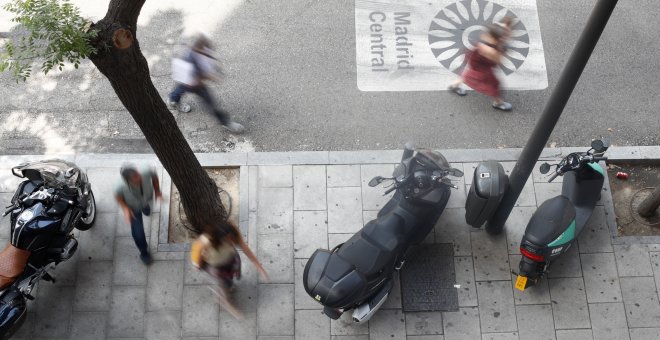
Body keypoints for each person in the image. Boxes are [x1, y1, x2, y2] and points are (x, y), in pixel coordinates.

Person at [168, 33, 245, 134]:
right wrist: (210, 77)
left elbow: (209, 59)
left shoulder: (202, 49)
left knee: (181, 86)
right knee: (210, 102)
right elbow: (193, 81)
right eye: (206, 47)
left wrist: (214, 69)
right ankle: (226, 122)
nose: (210, 48)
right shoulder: (190, 60)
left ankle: (173, 99)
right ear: (199, 49)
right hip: (194, 83)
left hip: (188, 79)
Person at [191, 223, 269, 319]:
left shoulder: (231, 229)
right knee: (223, 285)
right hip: (217, 267)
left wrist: (260, 268)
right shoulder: (204, 242)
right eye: (227, 240)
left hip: (229, 260)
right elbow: (196, 262)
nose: (232, 242)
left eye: (231, 239)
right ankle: (224, 301)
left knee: (229, 280)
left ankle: (227, 289)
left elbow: (244, 248)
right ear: (217, 238)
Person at [448, 18, 514, 111]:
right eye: (503, 37)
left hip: (478, 62)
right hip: (482, 66)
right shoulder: (490, 50)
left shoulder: (492, 33)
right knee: (493, 83)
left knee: (469, 74)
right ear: (496, 39)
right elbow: (499, 60)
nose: (506, 38)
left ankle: (454, 86)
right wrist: (503, 50)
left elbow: (503, 28)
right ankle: (498, 103)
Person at [115, 165, 162, 265]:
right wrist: (126, 209)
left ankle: (145, 208)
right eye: (135, 178)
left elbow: (154, 176)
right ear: (128, 181)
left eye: (137, 174)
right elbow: (118, 197)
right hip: (133, 207)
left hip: (146, 198)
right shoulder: (119, 187)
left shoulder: (145, 170)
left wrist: (157, 191)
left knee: (146, 206)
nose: (139, 178)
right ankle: (143, 251)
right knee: (138, 232)